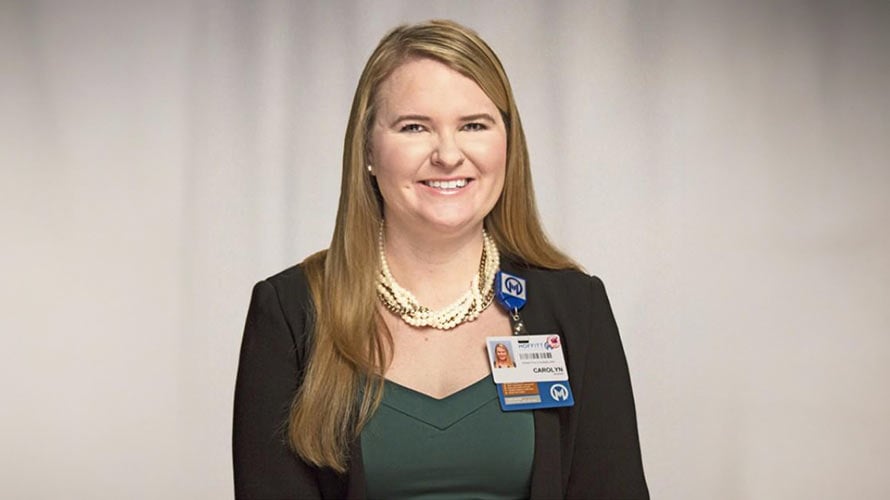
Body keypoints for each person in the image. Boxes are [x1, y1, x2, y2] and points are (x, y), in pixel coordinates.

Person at [233, 19, 648, 499]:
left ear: (507, 144)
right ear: (368, 148)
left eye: (473, 125)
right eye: (415, 127)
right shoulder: (291, 311)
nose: (448, 155)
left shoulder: (576, 307)